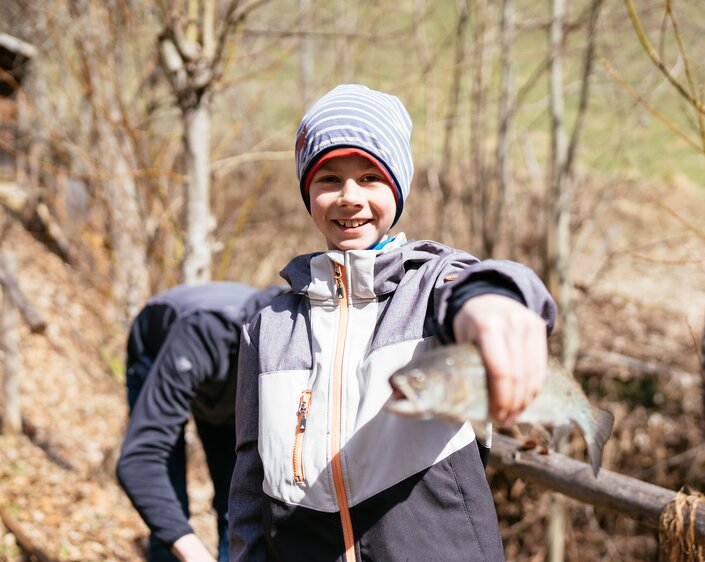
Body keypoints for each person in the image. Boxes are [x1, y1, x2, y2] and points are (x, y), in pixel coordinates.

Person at [229, 84, 557, 561]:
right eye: (328, 179)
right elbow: (248, 480)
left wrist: (497, 301)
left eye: (369, 177)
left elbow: (481, 284)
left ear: (397, 187)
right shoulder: (268, 327)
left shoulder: (430, 285)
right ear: (307, 192)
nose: (349, 197)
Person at [117, 282, 286, 562]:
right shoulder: (205, 332)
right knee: (170, 505)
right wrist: (193, 553)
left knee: (236, 506)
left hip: (227, 392)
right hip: (159, 352)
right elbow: (140, 459)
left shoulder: (295, 352)